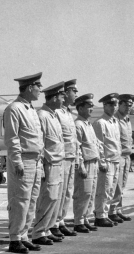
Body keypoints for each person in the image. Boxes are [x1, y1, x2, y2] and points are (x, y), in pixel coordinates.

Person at [2, 72, 44, 254]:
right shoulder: (14, 109)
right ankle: (15, 238)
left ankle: (24, 235)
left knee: (31, 199)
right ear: (29, 88)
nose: (40, 90)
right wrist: (17, 161)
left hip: (35, 160)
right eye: (38, 86)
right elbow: (12, 138)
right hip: (23, 160)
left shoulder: (30, 109)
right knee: (20, 199)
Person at [32, 82, 66, 245]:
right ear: (53, 98)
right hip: (49, 163)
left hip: (58, 163)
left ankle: (46, 229)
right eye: (61, 96)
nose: (63, 98)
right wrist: (43, 166)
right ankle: (38, 232)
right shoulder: (42, 116)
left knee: (55, 199)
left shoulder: (53, 115)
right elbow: (41, 143)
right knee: (47, 197)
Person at [53, 79, 79, 237]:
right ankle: (54, 223)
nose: (76, 94)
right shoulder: (57, 112)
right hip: (61, 158)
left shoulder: (69, 113)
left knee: (67, 192)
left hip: (70, 157)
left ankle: (60, 220)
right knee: (59, 192)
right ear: (65, 92)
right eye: (73, 91)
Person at [72, 94, 100, 233]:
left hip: (93, 162)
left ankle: (85, 218)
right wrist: (80, 166)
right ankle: (78, 221)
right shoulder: (78, 125)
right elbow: (77, 148)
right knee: (83, 193)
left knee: (91, 193)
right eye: (89, 106)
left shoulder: (88, 124)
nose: (91, 109)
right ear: (80, 108)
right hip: (86, 163)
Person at [93, 93, 121, 227]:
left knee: (111, 190)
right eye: (110, 105)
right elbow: (99, 144)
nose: (113, 107)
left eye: (115, 105)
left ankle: (105, 214)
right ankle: (100, 215)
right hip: (107, 161)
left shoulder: (115, 122)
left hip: (115, 160)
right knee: (103, 189)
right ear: (104, 106)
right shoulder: (100, 123)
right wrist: (102, 161)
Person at [108, 94, 134, 223]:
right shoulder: (115, 119)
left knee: (122, 185)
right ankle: (112, 211)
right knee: (117, 185)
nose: (128, 108)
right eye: (126, 105)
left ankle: (118, 209)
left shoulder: (127, 119)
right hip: (119, 156)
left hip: (127, 156)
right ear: (120, 105)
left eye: (130, 105)